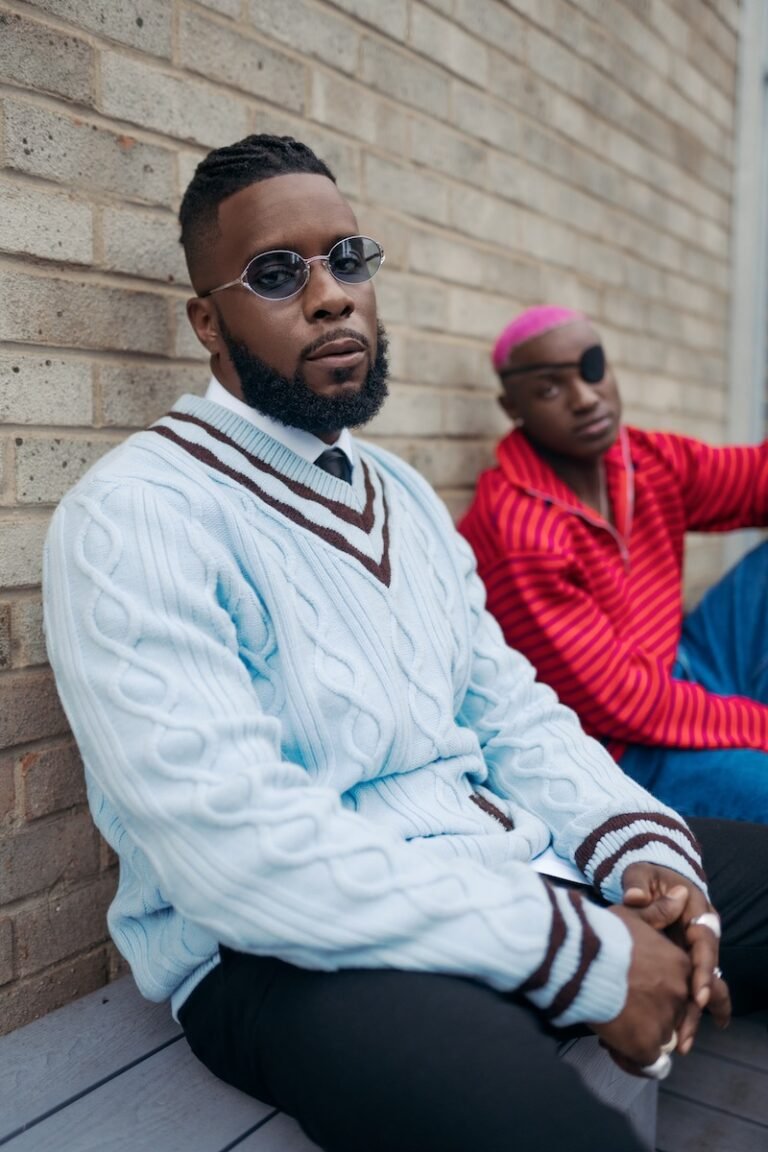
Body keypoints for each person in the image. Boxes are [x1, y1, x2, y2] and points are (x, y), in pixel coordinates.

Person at [43, 137, 767, 1152]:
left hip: (509, 866)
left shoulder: (400, 494)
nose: (332, 295)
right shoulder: (136, 515)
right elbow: (238, 858)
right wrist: (590, 954)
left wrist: (640, 855)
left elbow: (510, 709)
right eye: (278, 274)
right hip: (284, 960)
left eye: (348, 258)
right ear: (207, 322)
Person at [459, 305, 768, 823]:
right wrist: (758, 725)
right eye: (552, 388)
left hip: (683, 664)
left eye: (593, 369)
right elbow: (626, 705)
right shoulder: (518, 531)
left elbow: (751, 479)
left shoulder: (643, 461)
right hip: (621, 750)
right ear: (513, 406)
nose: (585, 397)